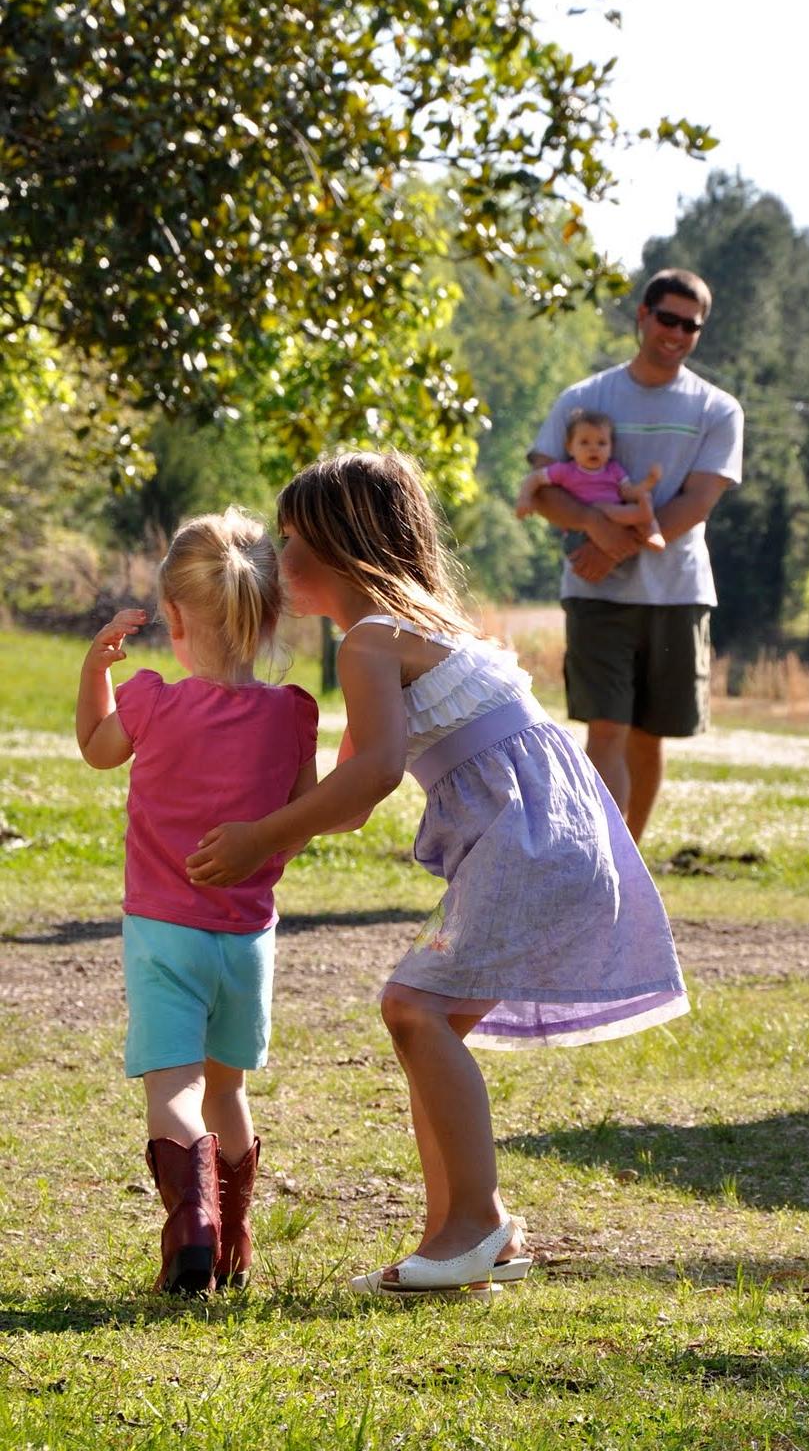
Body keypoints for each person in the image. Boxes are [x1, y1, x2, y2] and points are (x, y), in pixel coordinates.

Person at [186, 451, 689, 1299]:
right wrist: (260, 845)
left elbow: (377, 771)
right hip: (550, 838)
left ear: (339, 547)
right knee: (427, 1022)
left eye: (289, 538)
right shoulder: (409, 631)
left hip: (528, 845)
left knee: (412, 1008)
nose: (277, 558)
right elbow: (346, 795)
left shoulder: (373, 641)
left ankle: (475, 1224)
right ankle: (456, 1236)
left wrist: (259, 836)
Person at [75, 509, 318, 1295]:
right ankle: (235, 1235)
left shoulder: (148, 700)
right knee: (228, 1088)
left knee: (172, 1090)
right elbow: (302, 813)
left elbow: (96, 747)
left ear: (173, 616)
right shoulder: (292, 713)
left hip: (160, 936)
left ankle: (192, 1227)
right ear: (271, 613)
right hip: (246, 938)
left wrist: (96, 669)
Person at [528, 267, 743, 840]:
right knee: (607, 727)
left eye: (691, 325)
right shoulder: (585, 398)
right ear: (643, 316)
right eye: (667, 318)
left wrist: (614, 548)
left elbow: (698, 500)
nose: (677, 332)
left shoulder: (717, 409)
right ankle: (601, 863)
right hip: (595, 592)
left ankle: (632, 865)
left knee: (650, 734)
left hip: (677, 591)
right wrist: (594, 527)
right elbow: (542, 486)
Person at [515, 408, 665, 551]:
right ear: (570, 448)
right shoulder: (566, 471)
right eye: (584, 442)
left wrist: (649, 481)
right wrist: (524, 498)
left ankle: (653, 533)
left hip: (619, 523)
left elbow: (628, 493)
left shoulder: (614, 470)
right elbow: (535, 477)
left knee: (642, 504)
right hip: (582, 532)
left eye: (601, 443)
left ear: (611, 448)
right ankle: (640, 515)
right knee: (605, 508)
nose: (593, 449)